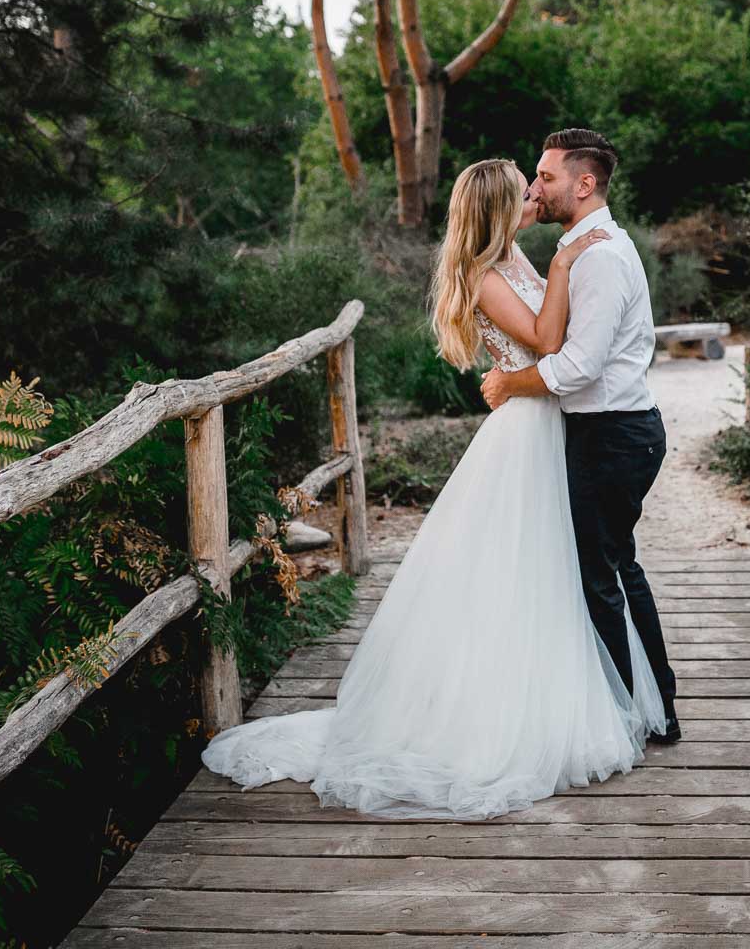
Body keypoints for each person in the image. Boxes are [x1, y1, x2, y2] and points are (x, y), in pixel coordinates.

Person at [200, 157, 668, 819]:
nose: (535, 195)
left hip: (550, 425)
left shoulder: (512, 256)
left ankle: (566, 690)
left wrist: (555, 259)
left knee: (551, 569)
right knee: (528, 565)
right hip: (526, 431)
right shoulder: (485, 274)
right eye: (524, 189)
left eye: (537, 185)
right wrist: (565, 263)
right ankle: (503, 715)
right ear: (500, 208)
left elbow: (556, 327)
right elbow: (546, 338)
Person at [480, 129, 680, 744]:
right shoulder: (577, 250)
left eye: (546, 177)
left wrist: (509, 383)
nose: (537, 189)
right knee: (612, 569)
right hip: (602, 431)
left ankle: (636, 715)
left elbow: (577, 366)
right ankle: (647, 706)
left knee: (604, 577)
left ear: (584, 183)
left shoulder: (599, 257)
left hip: (612, 433)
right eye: (534, 179)